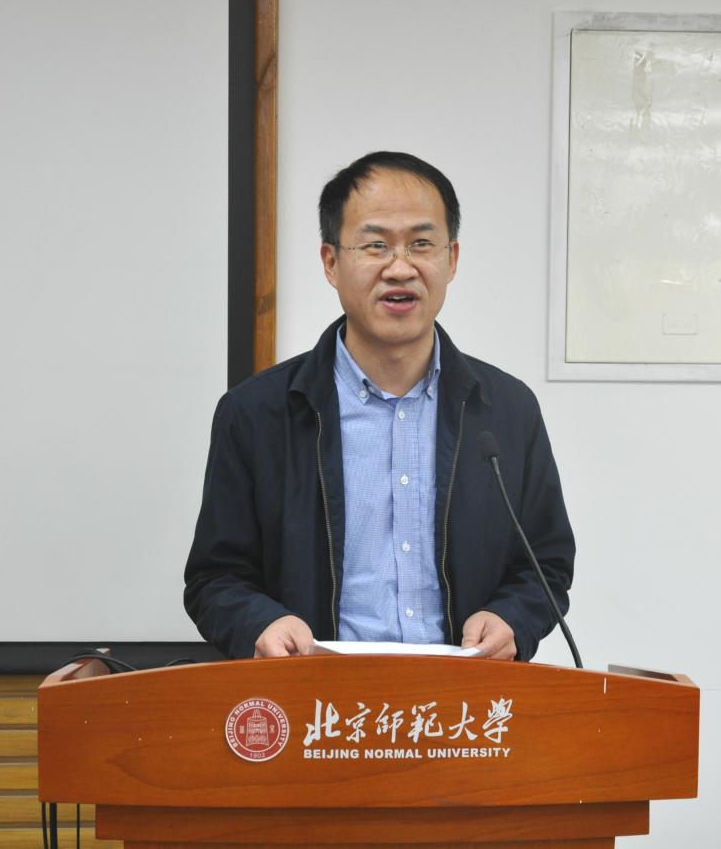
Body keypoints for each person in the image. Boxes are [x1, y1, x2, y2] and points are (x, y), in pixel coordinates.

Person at [184, 152, 574, 661]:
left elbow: (545, 563)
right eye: (376, 245)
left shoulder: (507, 410)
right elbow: (215, 578)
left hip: (465, 699)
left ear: (452, 259)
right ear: (331, 262)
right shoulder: (256, 413)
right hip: (316, 696)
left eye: (421, 244)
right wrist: (262, 623)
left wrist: (512, 619)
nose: (400, 268)